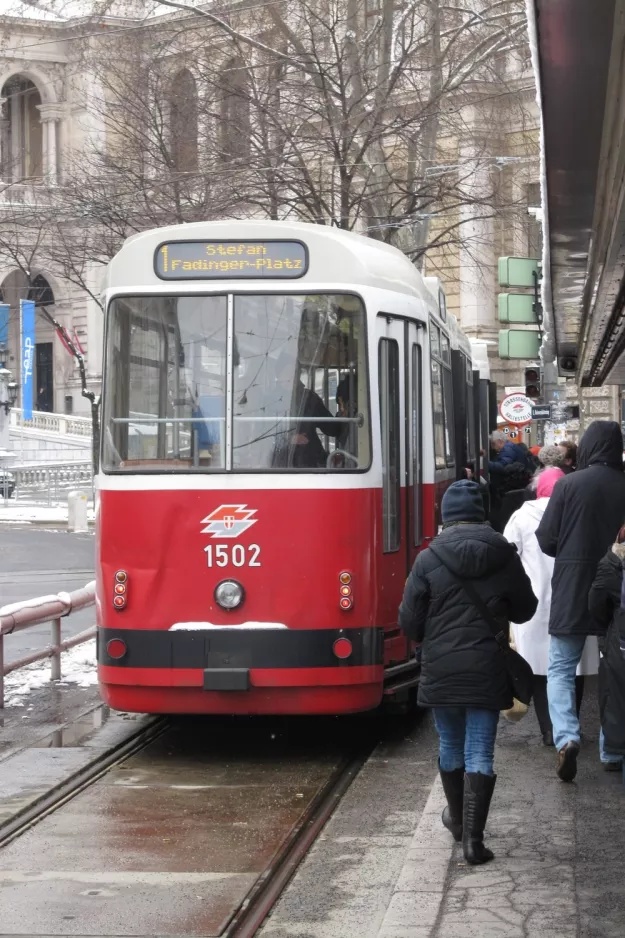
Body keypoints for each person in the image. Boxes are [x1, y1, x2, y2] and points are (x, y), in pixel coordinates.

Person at [399, 480, 537, 865]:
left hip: (442, 667)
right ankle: (474, 843)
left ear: (446, 518)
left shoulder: (428, 559)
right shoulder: (504, 555)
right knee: (480, 749)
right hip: (487, 667)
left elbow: (410, 622)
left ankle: (458, 821)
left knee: (449, 745)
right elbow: (526, 609)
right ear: (481, 515)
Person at [536, 420, 625, 782]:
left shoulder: (567, 485)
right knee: (615, 668)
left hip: (573, 586)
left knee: (560, 667)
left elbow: (547, 539)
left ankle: (567, 738)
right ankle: (612, 747)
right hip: (618, 586)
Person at [504, 468, 596, 746]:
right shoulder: (580, 514)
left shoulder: (521, 516)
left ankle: (549, 729)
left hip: (535, 603)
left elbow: (508, 554)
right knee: (572, 667)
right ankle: (571, 726)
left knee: (541, 670)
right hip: (574, 599)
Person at [588, 525, 625, 771]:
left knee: (614, 695)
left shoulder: (611, 565)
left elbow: (596, 605)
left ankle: (611, 753)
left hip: (620, 643)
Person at [271, 353, 344, 468]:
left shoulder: (310, 398)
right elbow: (261, 436)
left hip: (309, 462)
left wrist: (343, 415)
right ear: (278, 375)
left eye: (294, 372)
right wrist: (289, 438)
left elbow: (332, 429)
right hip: (280, 464)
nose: (291, 376)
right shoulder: (268, 401)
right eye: (287, 372)